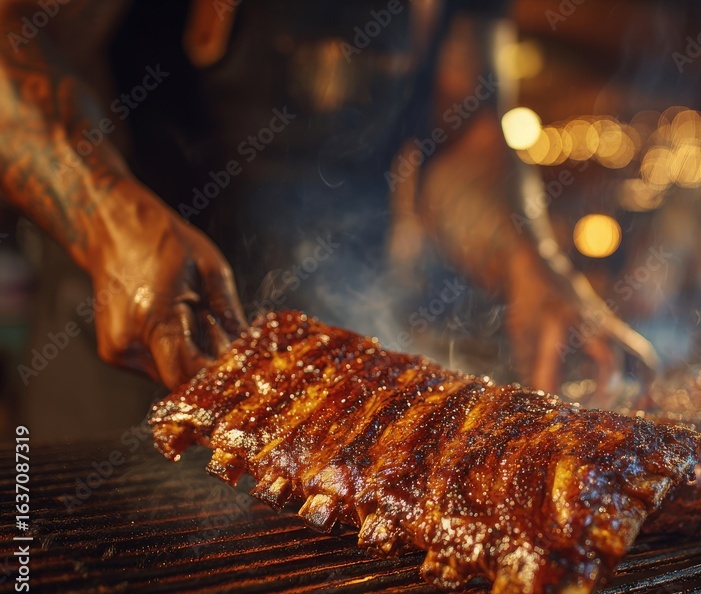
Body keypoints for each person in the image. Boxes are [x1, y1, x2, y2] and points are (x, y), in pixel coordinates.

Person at [0, 0, 654, 437]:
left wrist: (532, 264)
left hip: (341, 406)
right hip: (126, 375)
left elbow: (464, 137)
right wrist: (108, 217)